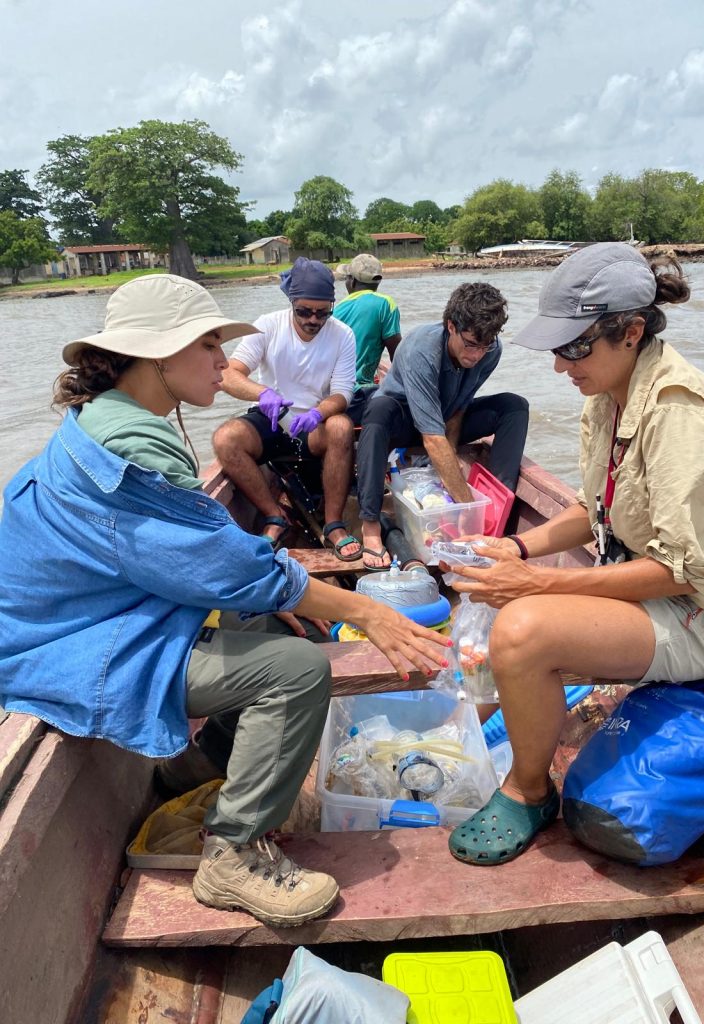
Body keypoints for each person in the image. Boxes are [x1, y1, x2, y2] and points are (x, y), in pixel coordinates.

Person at [0, 274, 452, 926]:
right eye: (209, 344)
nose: (223, 363)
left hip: (78, 617)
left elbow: (210, 562)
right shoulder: (134, 443)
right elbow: (214, 564)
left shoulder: (111, 418)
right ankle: (232, 854)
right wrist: (367, 611)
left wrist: (284, 590)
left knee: (264, 617)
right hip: (64, 645)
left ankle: (194, 772)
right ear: (157, 356)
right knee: (297, 671)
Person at [441, 242, 704, 867]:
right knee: (500, 624)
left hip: (694, 616)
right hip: (642, 591)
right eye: (559, 349)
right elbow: (592, 514)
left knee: (521, 631)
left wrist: (533, 587)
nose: (562, 366)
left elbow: (680, 572)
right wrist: (512, 545)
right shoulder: (608, 398)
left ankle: (529, 790)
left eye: (575, 347)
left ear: (632, 331)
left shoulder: (678, 415)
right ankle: (483, 736)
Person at [355, 281, 529, 570]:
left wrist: (455, 479)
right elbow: (431, 438)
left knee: (514, 406)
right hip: (403, 420)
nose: (476, 355)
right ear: (451, 326)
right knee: (377, 409)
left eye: (484, 346)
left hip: (443, 418)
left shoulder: (490, 351)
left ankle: (497, 514)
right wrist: (464, 503)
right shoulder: (421, 350)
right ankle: (370, 523)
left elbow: (460, 407)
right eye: (470, 344)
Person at [212, 257, 362, 561]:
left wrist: (318, 413)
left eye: (322, 312)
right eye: (304, 311)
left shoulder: (342, 334)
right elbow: (228, 374)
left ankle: (333, 523)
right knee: (225, 440)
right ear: (291, 303)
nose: (313, 320)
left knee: (341, 426)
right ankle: (273, 514)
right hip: (271, 420)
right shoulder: (267, 325)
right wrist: (263, 393)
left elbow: (343, 393)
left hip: (312, 426)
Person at [333, 253, 401, 424]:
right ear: (377, 282)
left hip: (334, 396)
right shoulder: (385, 303)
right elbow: (398, 355)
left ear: (352, 281)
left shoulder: (335, 310)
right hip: (361, 395)